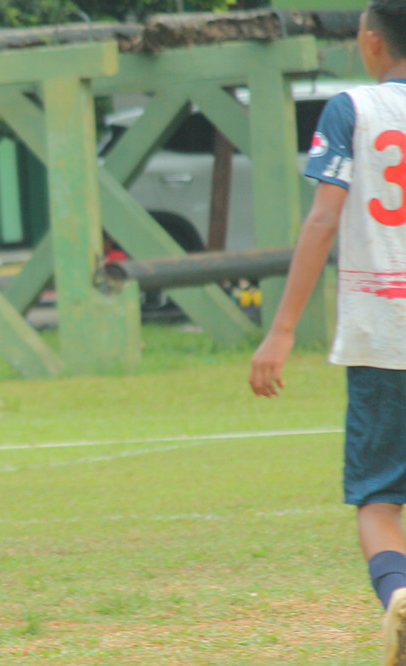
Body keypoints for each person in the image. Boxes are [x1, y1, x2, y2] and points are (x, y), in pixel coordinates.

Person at [248, 2, 406, 663]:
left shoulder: (350, 110)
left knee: (376, 495)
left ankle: (399, 595)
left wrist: (280, 331)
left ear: (370, 42)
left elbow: (321, 223)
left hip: (381, 336)